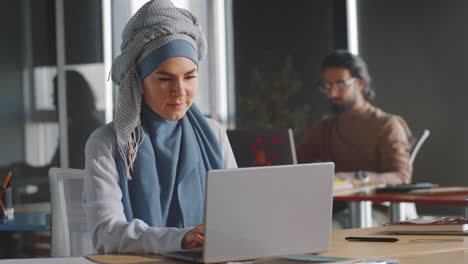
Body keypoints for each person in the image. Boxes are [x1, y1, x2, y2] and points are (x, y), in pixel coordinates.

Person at [82, 0, 237, 254]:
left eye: (190, 76)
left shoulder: (213, 133)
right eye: (164, 79)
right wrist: (180, 238)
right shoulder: (108, 142)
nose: (180, 91)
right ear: (138, 82)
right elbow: (106, 233)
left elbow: (237, 213)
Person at [296, 50, 412, 226]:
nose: (332, 93)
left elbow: (401, 176)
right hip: (330, 207)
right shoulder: (325, 127)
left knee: (321, 230)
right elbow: (296, 162)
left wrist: (358, 178)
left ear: (359, 83)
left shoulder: (387, 124)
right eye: (327, 85)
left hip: (374, 212)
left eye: (340, 84)